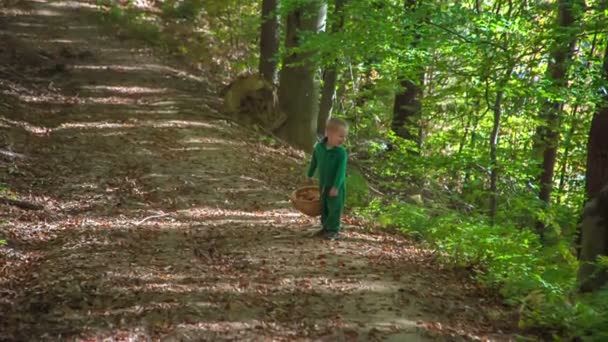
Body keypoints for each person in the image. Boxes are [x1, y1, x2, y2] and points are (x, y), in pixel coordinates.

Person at [307, 118, 348, 240]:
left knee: (334, 207)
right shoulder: (319, 148)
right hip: (324, 184)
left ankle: (334, 230)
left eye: (345, 137)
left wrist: (336, 186)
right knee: (323, 206)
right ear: (329, 133)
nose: (343, 140)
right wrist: (309, 174)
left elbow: (341, 172)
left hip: (337, 186)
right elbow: (314, 161)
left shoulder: (341, 153)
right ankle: (325, 227)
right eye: (340, 136)